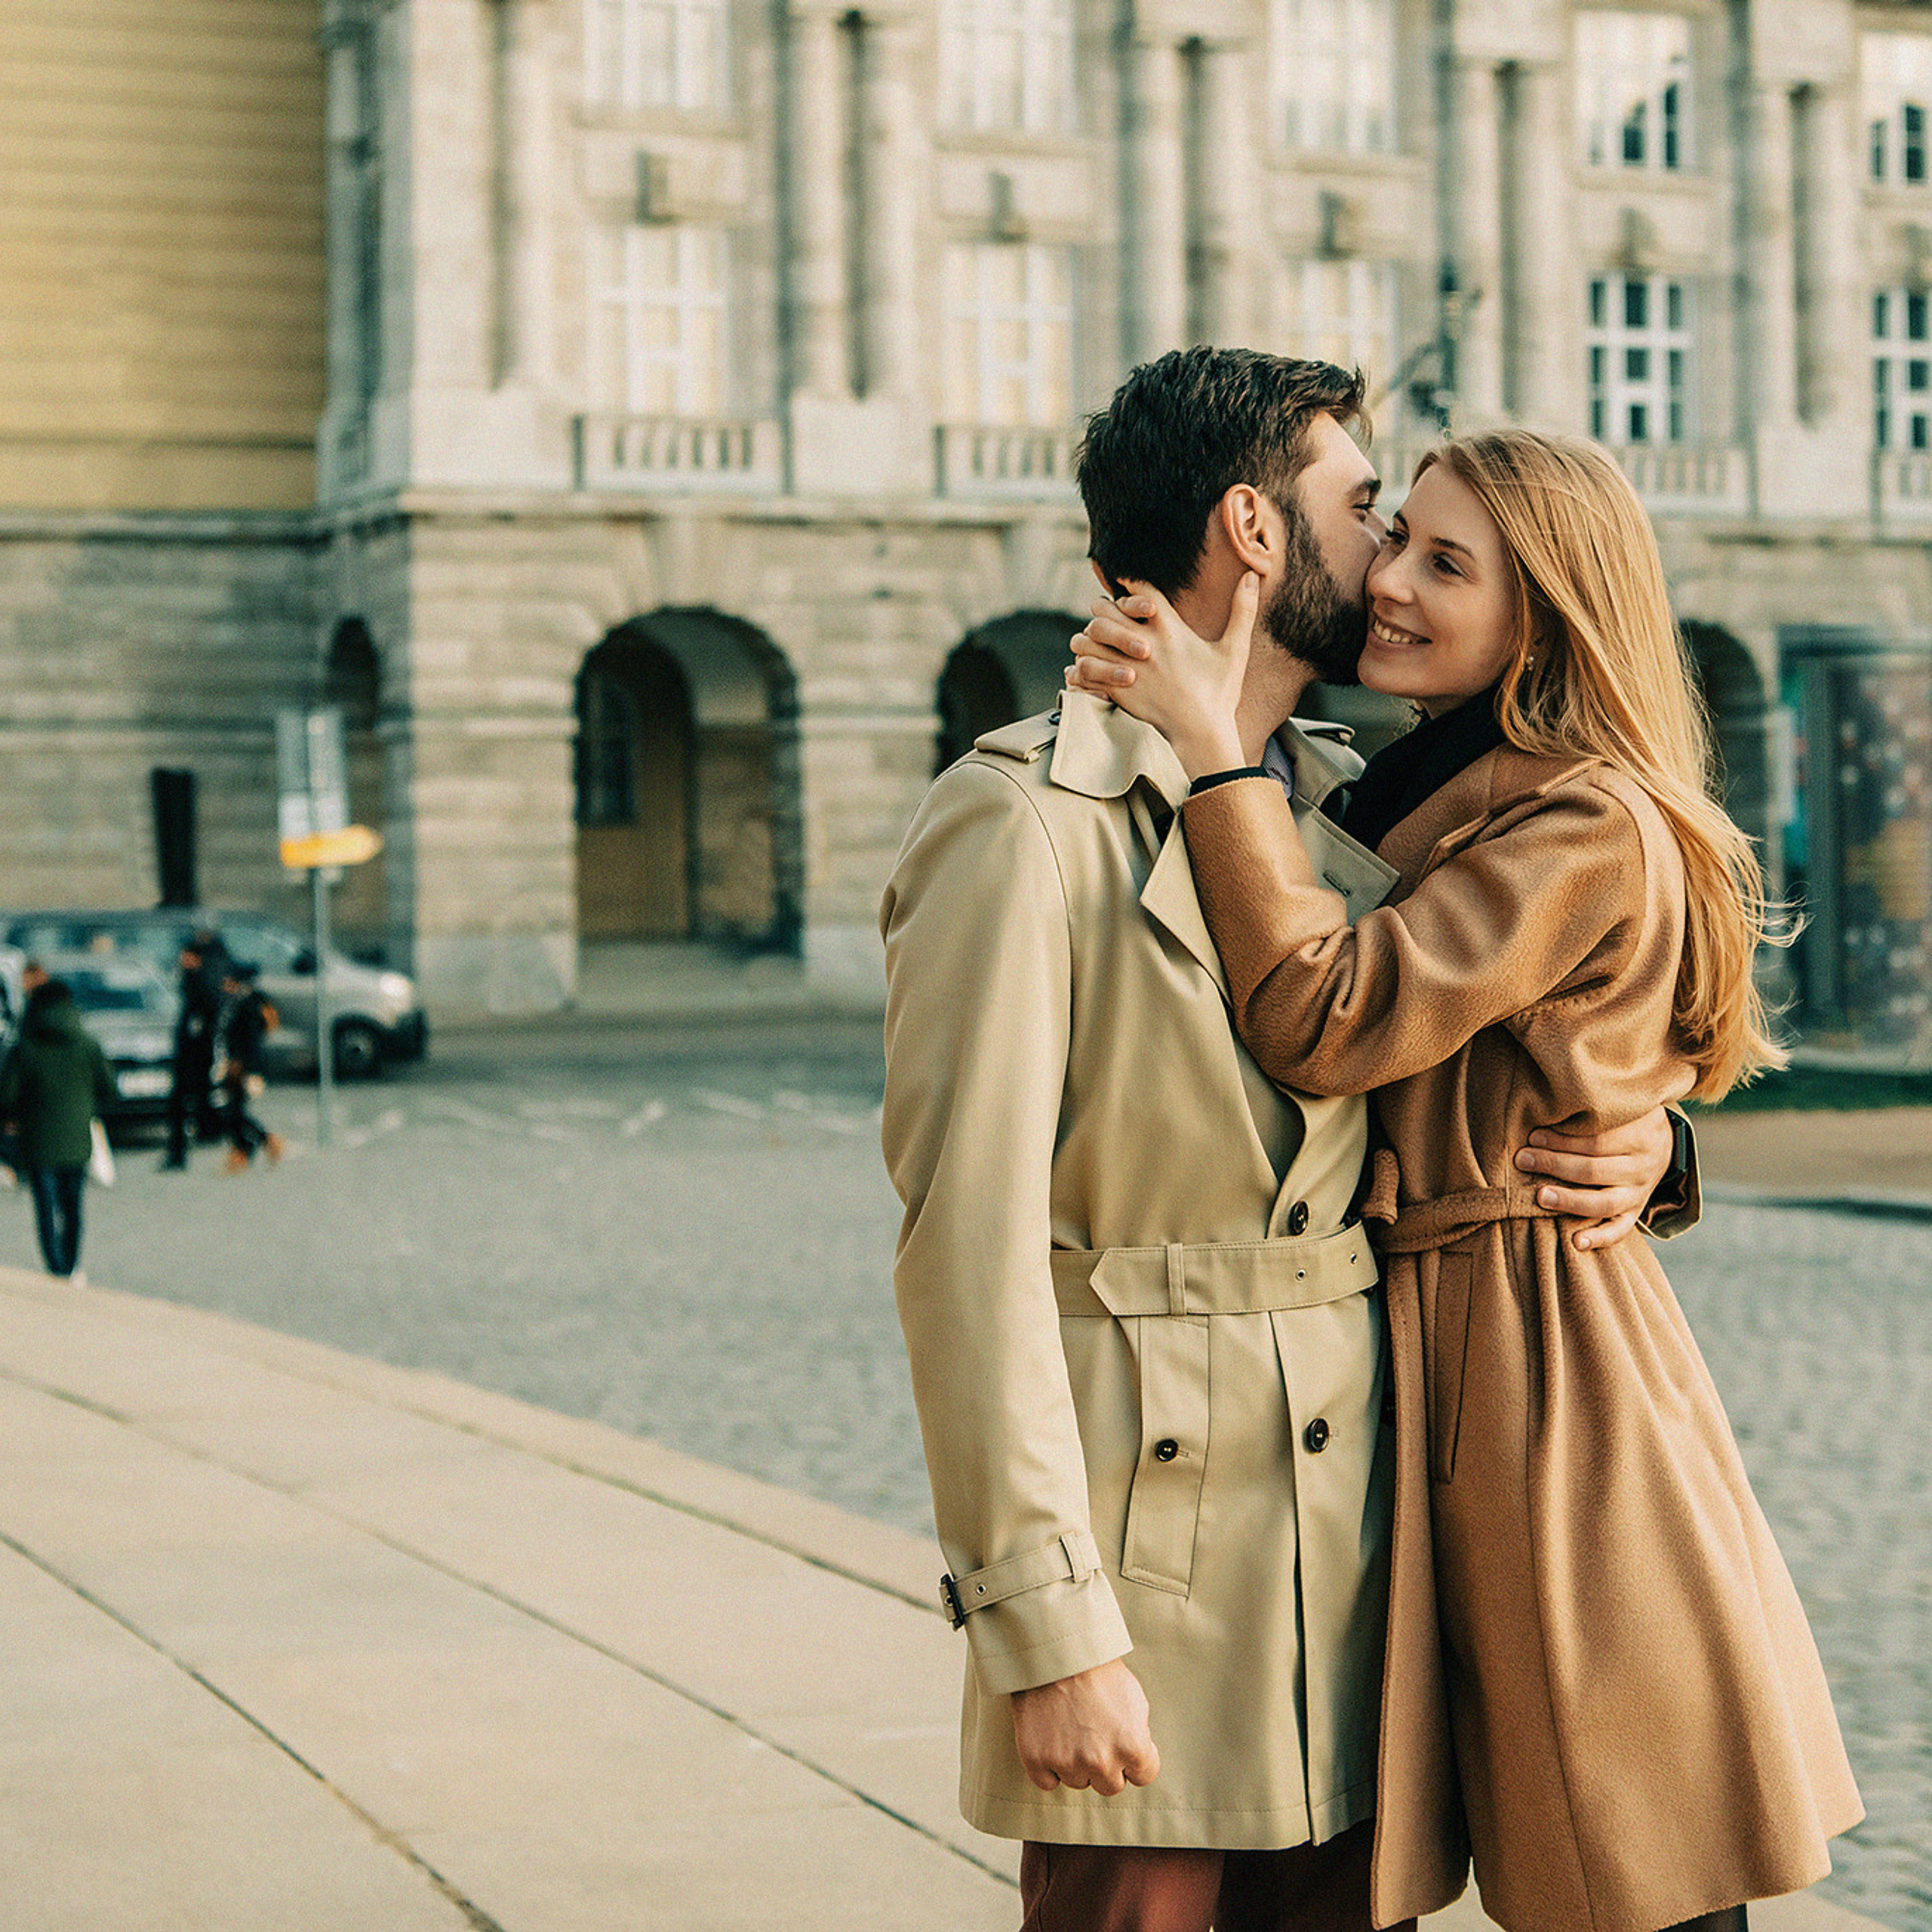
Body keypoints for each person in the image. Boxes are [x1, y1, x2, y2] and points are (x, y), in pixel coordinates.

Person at [880, 352, 1690, 1932]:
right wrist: (1046, 1629)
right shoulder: (1021, 819)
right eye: (1365, 509)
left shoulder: (1350, 803)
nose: (1386, 558)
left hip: (1367, 1562)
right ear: (1254, 530)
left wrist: (1648, 1136)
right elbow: (965, 1261)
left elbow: (1512, 1010)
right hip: (1158, 1575)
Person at [1067, 428, 1862, 1932]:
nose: (1389, 581)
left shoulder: (1576, 815)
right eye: (1396, 538)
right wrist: (1655, 1143)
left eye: (1447, 562)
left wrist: (1214, 755)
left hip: (1538, 1364)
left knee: (1622, 1825)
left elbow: (1326, 1016)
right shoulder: (1432, 777)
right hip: (1431, 1328)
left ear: (1544, 614)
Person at [0, 977, 117, 1280]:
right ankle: (71, 1263)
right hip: (77, 1138)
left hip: (37, 1140)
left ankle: (55, 1267)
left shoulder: (25, 1048)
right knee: (73, 1206)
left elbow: (7, 1097)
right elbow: (109, 1087)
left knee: (45, 1206)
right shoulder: (88, 1044)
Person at [162, 926, 228, 1171]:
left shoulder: (202, 979)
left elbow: (203, 1012)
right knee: (196, 1098)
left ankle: (183, 1149)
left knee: (184, 1100)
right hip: (196, 1049)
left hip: (195, 1051)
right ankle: (204, 1135)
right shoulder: (206, 974)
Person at [214, 961, 283, 1172]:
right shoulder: (241, 1001)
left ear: (239, 983)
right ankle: (245, 1149)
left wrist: (242, 1066)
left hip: (243, 1068)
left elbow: (252, 1040)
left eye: (228, 980)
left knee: (232, 1111)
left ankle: (263, 1141)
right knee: (233, 1111)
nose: (224, 984)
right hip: (237, 1065)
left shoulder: (248, 1005)